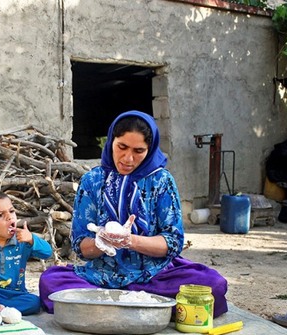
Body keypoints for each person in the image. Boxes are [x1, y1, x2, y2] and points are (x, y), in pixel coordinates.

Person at [39, 110, 228, 317]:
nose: (128, 158)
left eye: (139, 150)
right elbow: (81, 247)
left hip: (156, 275)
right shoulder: (92, 181)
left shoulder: (161, 182)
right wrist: (101, 243)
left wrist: (130, 241)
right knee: (51, 281)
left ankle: (107, 309)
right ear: (111, 141)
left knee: (213, 286)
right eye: (122, 147)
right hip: (101, 276)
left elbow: (172, 242)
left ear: (150, 149)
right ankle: (144, 307)